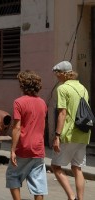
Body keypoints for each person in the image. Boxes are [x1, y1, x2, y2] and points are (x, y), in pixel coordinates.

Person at [51, 61, 91, 200]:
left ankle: (71, 197)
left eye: (57, 73)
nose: (56, 76)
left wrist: (57, 135)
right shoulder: (83, 88)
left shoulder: (62, 89)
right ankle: (80, 198)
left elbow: (62, 113)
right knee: (77, 168)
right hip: (83, 133)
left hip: (68, 134)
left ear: (63, 74)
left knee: (55, 166)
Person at [6, 70, 48, 200]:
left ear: (22, 85)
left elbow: (17, 127)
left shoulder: (19, 102)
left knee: (12, 176)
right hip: (38, 148)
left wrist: (12, 150)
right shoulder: (42, 103)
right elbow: (43, 126)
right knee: (38, 182)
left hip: (23, 147)